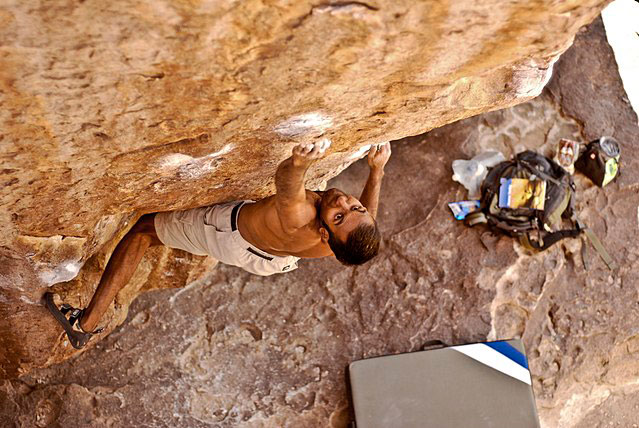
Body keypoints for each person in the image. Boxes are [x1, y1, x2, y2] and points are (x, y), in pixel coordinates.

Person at [45, 140, 392, 348]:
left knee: (143, 231)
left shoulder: (301, 216)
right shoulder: (342, 242)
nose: (343, 203)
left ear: (324, 235)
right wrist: (375, 172)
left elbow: (287, 184)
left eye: (339, 216)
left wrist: (299, 162)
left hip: (231, 235)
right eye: (353, 206)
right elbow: (367, 220)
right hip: (275, 257)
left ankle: (84, 326)